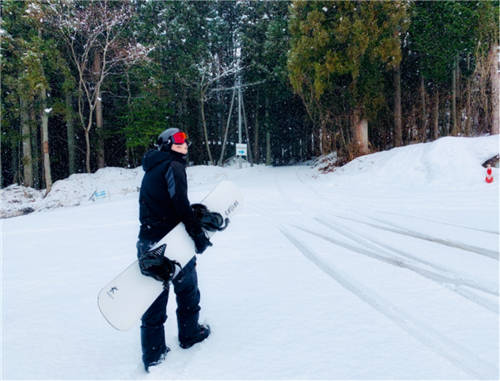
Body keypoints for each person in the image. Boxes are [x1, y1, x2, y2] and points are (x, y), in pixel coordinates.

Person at [136, 128, 212, 372]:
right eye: (178, 140)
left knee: (154, 295)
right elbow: (179, 202)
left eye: (186, 139)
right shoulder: (174, 165)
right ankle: (190, 334)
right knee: (187, 288)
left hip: (148, 240)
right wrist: (197, 235)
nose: (185, 143)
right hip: (171, 241)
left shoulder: (153, 166)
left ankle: (153, 354)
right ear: (167, 144)